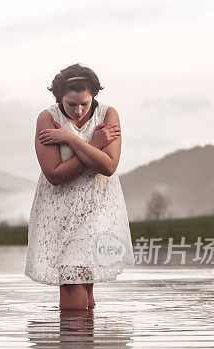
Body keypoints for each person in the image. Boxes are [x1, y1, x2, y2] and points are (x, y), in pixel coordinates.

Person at [25, 63, 134, 310]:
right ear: (59, 98)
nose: (78, 109)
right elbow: (54, 174)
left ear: (94, 95)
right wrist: (93, 145)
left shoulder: (108, 115)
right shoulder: (48, 118)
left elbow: (108, 167)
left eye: (84, 103)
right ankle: (79, 344)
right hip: (59, 208)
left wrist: (71, 138)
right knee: (72, 276)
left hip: (98, 206)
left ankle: (79, 344)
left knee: (84, 277)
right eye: (71, 104)